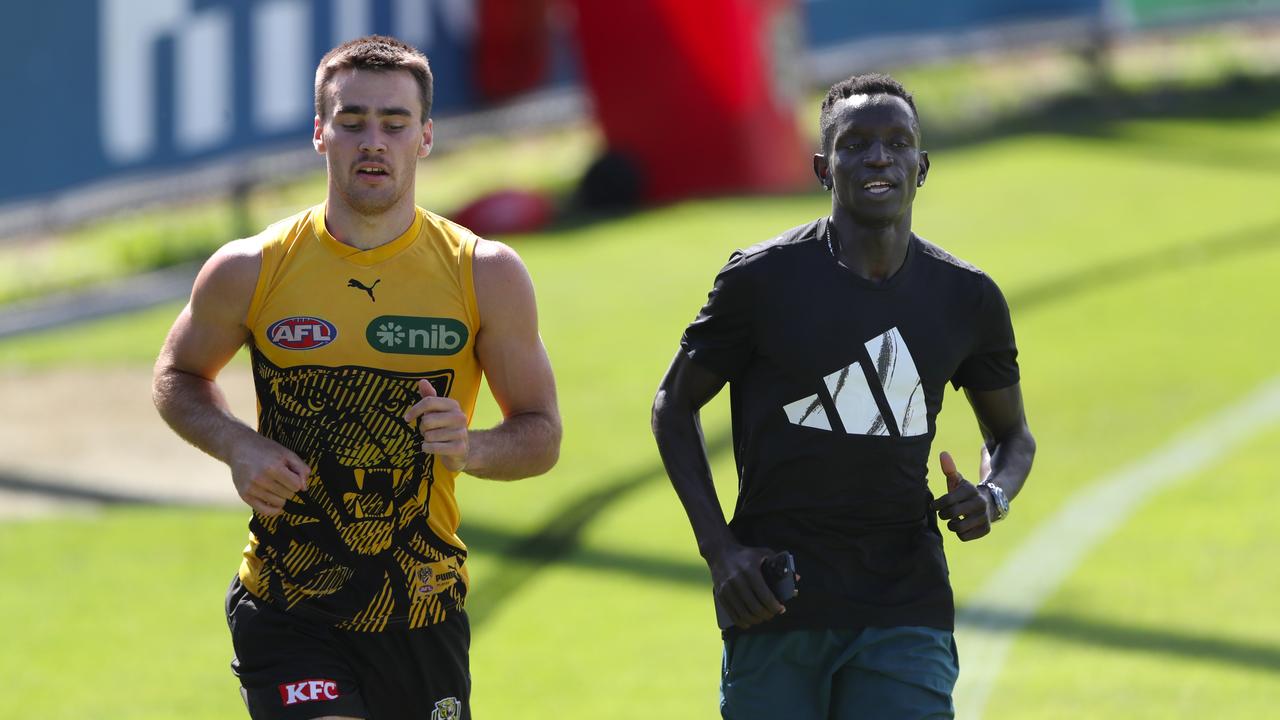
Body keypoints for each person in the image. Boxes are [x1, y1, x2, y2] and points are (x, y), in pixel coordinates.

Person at [153, 35, 561, 720]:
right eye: (352, 121)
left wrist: (474, 447)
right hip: (287, 606)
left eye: (395, 124)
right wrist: (238, 446)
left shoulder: (484, 274)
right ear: (321, 133)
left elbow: (542, 433)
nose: (374, 141)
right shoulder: (251, 268)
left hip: (423, 610)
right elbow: (177, 375)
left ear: (425, 137)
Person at [651, 73, 1036, 719]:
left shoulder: (967, 298)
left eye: (897, 142)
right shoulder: (760, 280)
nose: (879, 156)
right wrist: (720, 551)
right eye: (856, 144)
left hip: (905, 603)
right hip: (775, 600)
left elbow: (1012, 435)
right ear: (823, 168)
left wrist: (993, 495)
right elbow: (673, 405)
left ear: (923, 166)